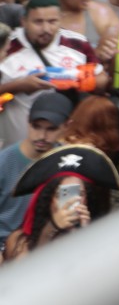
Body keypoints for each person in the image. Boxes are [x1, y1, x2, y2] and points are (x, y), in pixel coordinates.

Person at [0, 0, 92, 148]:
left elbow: (101, 81)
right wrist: (19, 86)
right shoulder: (7, 47)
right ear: (24, 21)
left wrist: (75, 78)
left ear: (61, 19)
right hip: (16, 147)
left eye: (52, 21)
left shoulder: (78, 44)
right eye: (38, 22)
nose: (46, 29)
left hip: (63, 146)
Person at [0, 91, 70, 234]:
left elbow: (69, 209)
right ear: (27, 121)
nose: (41, 136)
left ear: (67, 126)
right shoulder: (4, 162)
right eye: (36, 126)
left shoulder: (67, 161)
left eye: (51, 129)